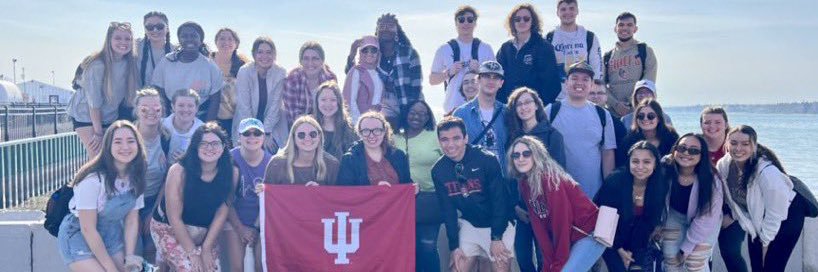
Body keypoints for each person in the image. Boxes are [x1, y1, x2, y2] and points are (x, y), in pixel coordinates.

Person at [57, 120, 147, 272]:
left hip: (110, 232)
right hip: (79, 234)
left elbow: (132, 220)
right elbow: (88, 229)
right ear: (108, 147)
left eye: (131, 141)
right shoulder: (92, 180)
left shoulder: (137, 176)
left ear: (138, 145)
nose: (125, 147)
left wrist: (130, 257)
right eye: (118, 142)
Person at [508, 136, 605, 272]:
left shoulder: (550, 180)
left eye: (526, 153)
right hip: (570, 237)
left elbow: (561, 223)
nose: (520, 159)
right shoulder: (525, 184)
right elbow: (539, 226)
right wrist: (548, 264)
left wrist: (558, 264)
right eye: (515, 155)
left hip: (590, 233)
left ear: (536, 154)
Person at [150, 122, 237, 272]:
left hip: (204, 232)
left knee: (211, 269)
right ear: (195, 146)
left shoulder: (232, 172)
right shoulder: (178, 171)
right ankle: (163, 257)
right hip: (169, 227)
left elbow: (222, 212)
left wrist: (206, 248)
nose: (210, 148)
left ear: (223, 147)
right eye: (203, 143)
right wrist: (192, 253)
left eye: (215, 143)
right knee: (190, 268)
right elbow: (174, 217)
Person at [717, 125, 804, 272]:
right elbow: (734, 200)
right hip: (759, 216)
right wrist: (733, 215)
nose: (738, 148)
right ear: (726, 143)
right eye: (733, 143)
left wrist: (765, 242)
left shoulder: (767, 173)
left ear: (754, 146)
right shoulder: (724, 166)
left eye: (745, 144)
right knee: (757, 266)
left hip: (786, 218)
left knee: (771, 267)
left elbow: (776, 213)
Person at [432, 116, 513, 272]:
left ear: (466, 138)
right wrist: (454, 246)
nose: (450, 145)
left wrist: (496, 237)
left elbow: (500, 201)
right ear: (439, 141)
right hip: (471, 225)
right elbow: (448, 211)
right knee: (457, 268)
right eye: (444, 140)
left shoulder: (487, 160)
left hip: (499, 224)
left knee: (500, 269)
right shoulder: (438, 170)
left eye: (456, 138)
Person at [503, 87, 565, 272]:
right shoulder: (512, 139)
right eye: (518, 104)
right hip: (521, 211)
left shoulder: (553, 136)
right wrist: (515, 206)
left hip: (545, 210)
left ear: (537, 105)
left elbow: (559, 175)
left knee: (545, 261)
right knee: (523, 259)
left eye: (528, 102)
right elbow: (509, 177)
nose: (524, 107)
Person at [68, 22, 140, 158]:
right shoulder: (97, 64)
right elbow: (94, 103)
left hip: (109, 116)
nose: (123, 42)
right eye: (118, 38)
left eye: (127, 39)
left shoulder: (129, 64)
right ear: (109, 40)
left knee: (113, 158)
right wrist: (98, 133)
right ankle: (87, 179)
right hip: (87, 116)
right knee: (97, 157)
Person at [545, 62, 616, 198]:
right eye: (575, 78)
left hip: (594, 195)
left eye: (585, 79)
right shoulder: (551, 111)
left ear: (591, 85)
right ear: (566, 83)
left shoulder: (602, 115)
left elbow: (607, 153)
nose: (580, 83)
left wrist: (609, 189)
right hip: (559, 194)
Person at [595, 141, 668, 272]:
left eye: (646, 162)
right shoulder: (615, 182)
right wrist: (619, 249)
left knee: (637, 269)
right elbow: (604, 223)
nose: (640, 166)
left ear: (655, 164)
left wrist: (632, 252)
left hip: (638, 239)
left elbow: (649, 222)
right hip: (609, 238)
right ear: (629, 162)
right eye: (635, 161)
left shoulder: (659, 186)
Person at [345, 13, 423, 128]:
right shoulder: (373, 52)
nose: (385, 28)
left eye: (390, 25)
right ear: (377, 31)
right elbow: (354, 74)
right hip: (385, 103)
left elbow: (416, 85)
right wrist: (352, 54)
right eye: (381, 26)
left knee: (416, 128)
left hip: (409, 99)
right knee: (386, 127)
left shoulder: (409, 52)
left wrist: (411, 109)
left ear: (397, 31)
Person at [661, 133, 724, 271]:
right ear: (675, 150)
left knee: (694, 263)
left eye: (694, 150)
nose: (686, 153)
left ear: (702, 155)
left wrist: (686, 248)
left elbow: (707, 218)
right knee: (671, 259)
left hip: (705, 223)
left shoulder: (712, 181)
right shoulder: (665, 168)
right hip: (675, 216)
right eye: (682, 148)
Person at [394, 100, 441, 272]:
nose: (417, 116)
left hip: (429, 201)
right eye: (413, 112)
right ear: (406, 113)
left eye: (422, 113)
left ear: (428, 117)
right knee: (405, 249)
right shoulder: (394, 138)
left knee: (427, 248)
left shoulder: (435, 136)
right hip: (399, 205)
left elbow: (449, 163)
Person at [224, 118, 272, 272]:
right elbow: (226, 200)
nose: (252, 137)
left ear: (263, 137)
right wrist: (240, 228)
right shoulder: (229, 159)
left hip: (262, 222)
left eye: (257, 133)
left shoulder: (272, 162)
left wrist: (256, 228)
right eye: (247, 133)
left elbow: (271, 201)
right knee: (236, 267)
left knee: (261, 265)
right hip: (233, 220)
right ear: (239, 137)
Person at [151, 21, 224, 121]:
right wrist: (164, 121)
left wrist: (207, 128)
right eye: (184, 36)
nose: (189, 39)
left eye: (193, 36)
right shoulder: (167, 62)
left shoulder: (210, 66)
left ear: (201, 40)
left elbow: (215, 100)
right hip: (171, 118)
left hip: (200, 118)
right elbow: (159, 93)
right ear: (179, 39)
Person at [430, 6, 496, 113]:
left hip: (481, 109)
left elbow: (495, 80)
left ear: (475, 23)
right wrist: (449, 72)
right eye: (461, 20)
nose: (466, 23)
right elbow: (432, 80)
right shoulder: (444, 49)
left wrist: (480, 70)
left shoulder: (486, 48)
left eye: (470, 20)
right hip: (452, 109)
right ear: (456, 23)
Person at [496, 3, 561, 105]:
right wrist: (503, 105)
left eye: (526, 19)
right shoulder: (505, 48)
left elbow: (552, 83)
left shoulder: (544, 47)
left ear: (533, 22)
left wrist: (537, 107)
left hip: (535, 111)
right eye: (517, 19)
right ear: (512, 22)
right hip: (509, 109)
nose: (522, 22)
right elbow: (498, 78)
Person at [132, 88, 169, 264]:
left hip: (154, 200)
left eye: (156, 108)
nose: (151, 113)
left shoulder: (166, 137)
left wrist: (154, 212)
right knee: (133, 249)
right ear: (137, 110)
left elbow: (168, 178)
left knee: (151, 247)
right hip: (129, 201)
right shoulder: (128, 137)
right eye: (145, 108)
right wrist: (135, 213)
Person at [453, 61, 510, 172]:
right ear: (478, 80)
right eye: (486, 76)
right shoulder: (460, 114)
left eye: (496, 77)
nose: (491, 81)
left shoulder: (508, 112)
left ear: (501, 83)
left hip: (502, 180)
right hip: (473, 180)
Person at [234, 36, 288, 151]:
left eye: (269, 52)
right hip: (246, 125)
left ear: (274, 55)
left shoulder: (280, 73)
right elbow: (244, 107)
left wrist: (266, 133)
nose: (265, 56)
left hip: (272, 127)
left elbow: (275, 106)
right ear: (254, 54)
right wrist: (253, 133)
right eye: (260, 52)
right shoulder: (244, 72)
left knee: (269, 156)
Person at [603, 12, 658, 118]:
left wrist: (631, 103)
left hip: (640, 113)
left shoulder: (645, 51)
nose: (625, 28)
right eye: (621, 25)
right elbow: (601, 85)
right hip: (613, 113)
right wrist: (616, 104)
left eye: (629, 25)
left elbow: (648, 82)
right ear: (615, 28)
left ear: (635, 29)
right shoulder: (607, 56)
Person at [546, 0, 603, 100]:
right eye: (563, 9)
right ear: (557, 12)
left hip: (584, 98)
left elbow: (596, 68)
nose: (567, 12)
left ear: (577, 11)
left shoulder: (589, 37)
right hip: (557, 99)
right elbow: (545, 69)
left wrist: (592, 94)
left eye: (571, 8)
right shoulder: (550, 37)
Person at [337, 111, 411, 186]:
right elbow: (345, 193)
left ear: (384, 131)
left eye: (377, 130)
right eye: (366, 131)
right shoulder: (350, 159)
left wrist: (414, 188)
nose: (371, 136)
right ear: (359, 133)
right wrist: (375, 190)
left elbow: (407, 185)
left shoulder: (399, 156)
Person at [264, 115, 340, 185]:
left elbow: (337, 196)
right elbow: (267, 196)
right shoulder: (276, 164)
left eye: (313, 134)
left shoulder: (332, 165)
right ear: (293, 138)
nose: (307, 138)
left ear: (319, 136)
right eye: (301, 135)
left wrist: (319, 193)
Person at [282, 41, 337, 125]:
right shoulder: (291, 80)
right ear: (300, 61)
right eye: (306, 58)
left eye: (315, 58)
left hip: (325, 125)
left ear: (322, 61)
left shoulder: (330, 79)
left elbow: (333, 110)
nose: (310, 63)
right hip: (297, 127)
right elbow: (294, 116)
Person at [210, 28, 250, 137]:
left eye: (230, 39)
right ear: (216, 42)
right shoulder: (208, 61)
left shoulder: (243, 64)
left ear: (236, 44)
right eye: (222, 38)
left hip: (234, 118)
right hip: (210, 115)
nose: (226, 42)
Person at [618, 98, 679, 167]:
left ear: (659, 118)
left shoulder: (671, 137)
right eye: (641, 116)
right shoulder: (629, 140)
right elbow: (622, 166)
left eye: (651, 116)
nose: (645, 119)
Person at [312, 81, 359, 159]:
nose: (328, 104)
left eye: (333, 100)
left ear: (339, 102)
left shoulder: (351, 130)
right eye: (323, 99)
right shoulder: (309, 127)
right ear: (317, 102)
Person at [344, 35, 385, 123]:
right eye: (365, 50)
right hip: (360, 125)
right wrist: (360, 124)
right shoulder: (356, 71)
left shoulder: (380, 73)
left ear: (378, 53)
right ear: (360, 52)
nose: (369, 53)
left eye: (373, 50)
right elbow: (350, 102)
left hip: (376, 123)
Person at [588, 79, 627, 164]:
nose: (596, 96)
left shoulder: (617, 125)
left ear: (606, 97)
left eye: (600, 93)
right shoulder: (578, 119)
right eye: (591, 93)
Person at [162, 89, 205, 165]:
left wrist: (188, 159)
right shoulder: (161, 125)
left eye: (190, 106)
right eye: (181, 105)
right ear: (173, 106)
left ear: (197, 108)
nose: (185, 109)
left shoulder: (203, 130)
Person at [137, 11, 175, 87]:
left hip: (166, 97)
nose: (155, 30)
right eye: (150, 27)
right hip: (139, 96)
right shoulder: (134, 48)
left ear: (167, 28)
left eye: (160, 26)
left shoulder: (175, 52)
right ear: (145, 29)